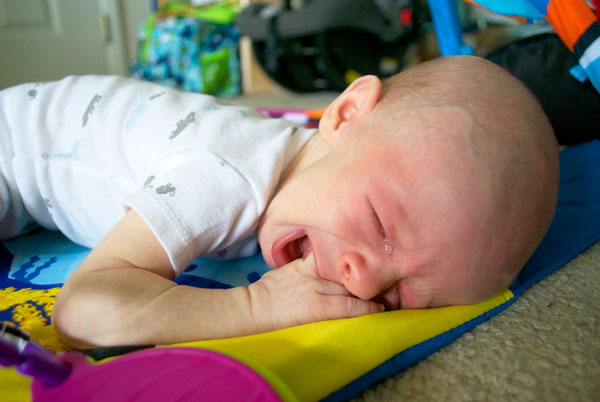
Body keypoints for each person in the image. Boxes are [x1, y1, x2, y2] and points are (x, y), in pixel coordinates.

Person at [0, 56, 559, 348]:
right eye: (379, 224)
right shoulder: (222, 176)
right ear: (342, 115)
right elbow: (84, 311)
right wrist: (254, 309)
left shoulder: (309, 158)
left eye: (398, 294)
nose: (362, 283)